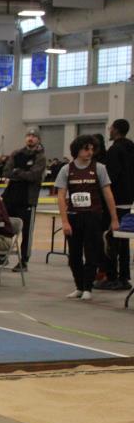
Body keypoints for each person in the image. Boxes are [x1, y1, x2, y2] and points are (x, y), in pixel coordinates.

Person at [55, 135, 120, 300]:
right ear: (77, 150)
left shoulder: (100, 168)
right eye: (86, 149)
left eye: (92, 149)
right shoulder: (66, 170)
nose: (90, 152)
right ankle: (79, 286)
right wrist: (64, 221)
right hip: (74, 217)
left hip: (93, 216)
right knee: (74, 256)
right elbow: (61, 197)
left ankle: (88, 287)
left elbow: (108, 194)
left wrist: (114, 219)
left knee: (91, 253)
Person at [1, 127, 46, 272]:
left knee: (27, 232)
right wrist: (22, 174)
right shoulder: (16, 154)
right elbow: (6, 172)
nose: (30, 138)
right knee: (3, 226)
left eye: (34, 136)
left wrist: (17, 172)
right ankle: (2, 255)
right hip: (10, 197)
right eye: (28, 135)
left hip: (27, 200)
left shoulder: (40, 157)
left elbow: (34, 176)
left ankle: (24, 261)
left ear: (38, 139)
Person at [100, 119, 134, 290]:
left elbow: (110, 177)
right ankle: (124, 277)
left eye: (111, 128)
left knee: (110, 238)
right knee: (124, 239)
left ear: (116, 130)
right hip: (128, 201)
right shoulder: (131, 148)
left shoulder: (114, 150)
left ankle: (111, 277)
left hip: (115, 200)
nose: (109, 130)